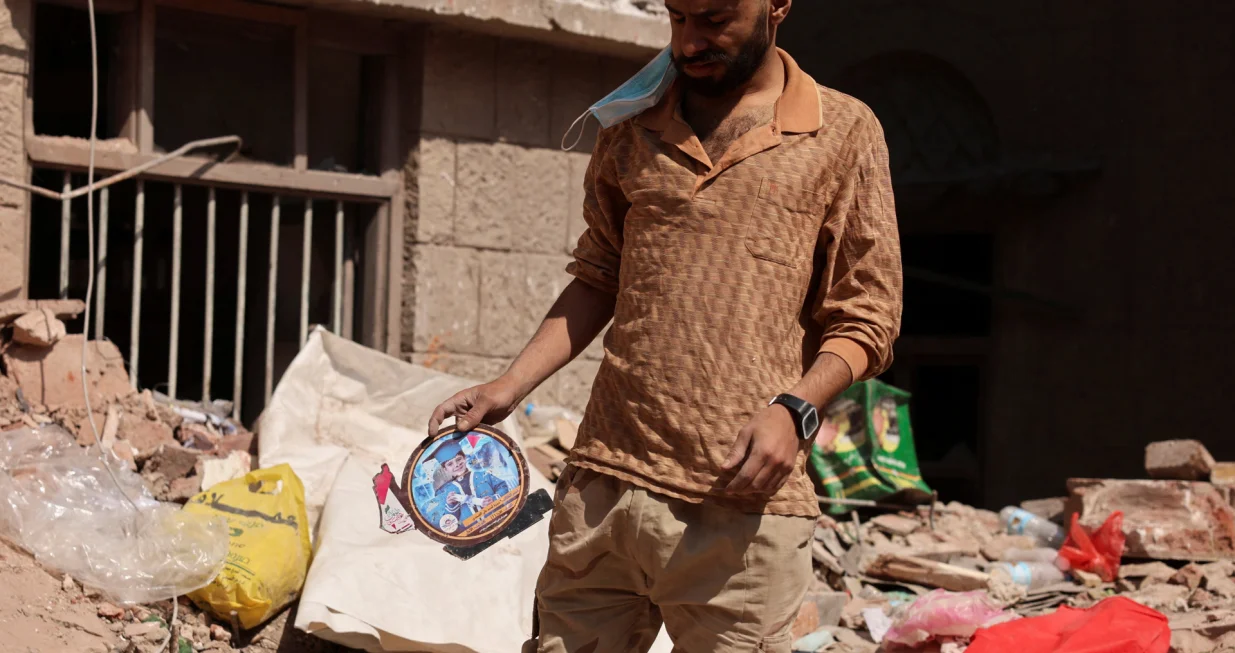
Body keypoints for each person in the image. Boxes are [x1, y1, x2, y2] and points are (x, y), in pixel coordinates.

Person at [428, 0, 902, 650]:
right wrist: (509, 384)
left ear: (778, 6)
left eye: (712, 18)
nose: (688, 41)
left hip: (743, 510)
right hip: (604, 490)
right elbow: (597, 275)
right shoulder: (629, 126)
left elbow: (867, 317)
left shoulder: (841, 131)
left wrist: (795, 411)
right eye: (677, 18)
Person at [425, 439, 511, 529]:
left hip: (498, 521)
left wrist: (494, 498)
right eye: (450, 464)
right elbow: (450, 521)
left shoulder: (483, 475)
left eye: (458, 459)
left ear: (465, 458)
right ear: (445, 469)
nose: (456, 465)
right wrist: (451, 505)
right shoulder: (447, 492)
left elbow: (502, 486)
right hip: (470, 532)